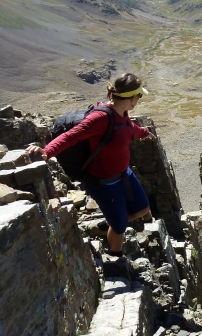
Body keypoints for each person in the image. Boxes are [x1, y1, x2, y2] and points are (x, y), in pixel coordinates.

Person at [27, 73, 155, 258]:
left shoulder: (123, 113)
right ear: (132, 97)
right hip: (104, 182)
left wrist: (143, 133)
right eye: (139, 95)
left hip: (123, 174)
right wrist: (47, 151)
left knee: (142, 209)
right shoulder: (101, 118)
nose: (139, 99)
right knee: (120, 227)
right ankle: (115, 260)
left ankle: (106, 224)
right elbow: (72, 135)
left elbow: (128, 127)